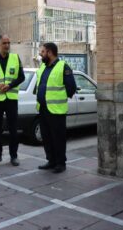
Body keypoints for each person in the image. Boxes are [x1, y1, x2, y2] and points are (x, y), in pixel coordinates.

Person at [36, 42, 76, 173]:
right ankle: (51, 160)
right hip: (43, 108)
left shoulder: (63, 66)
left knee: (58, 137)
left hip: (56, 109)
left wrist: (59, 97)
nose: (40, 54)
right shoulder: (43, 66)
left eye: (42, 52)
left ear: (49, 52)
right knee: (46, 136)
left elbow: (71, 88)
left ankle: (60, 163)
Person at [0, 35, 25, 166]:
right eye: (4, 43)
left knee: (13, 129)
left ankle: (14, 156)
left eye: (8, 43)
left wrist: (10, 85)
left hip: (11, 99)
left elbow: (21, 77)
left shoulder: (15, 58)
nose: (7, 45)